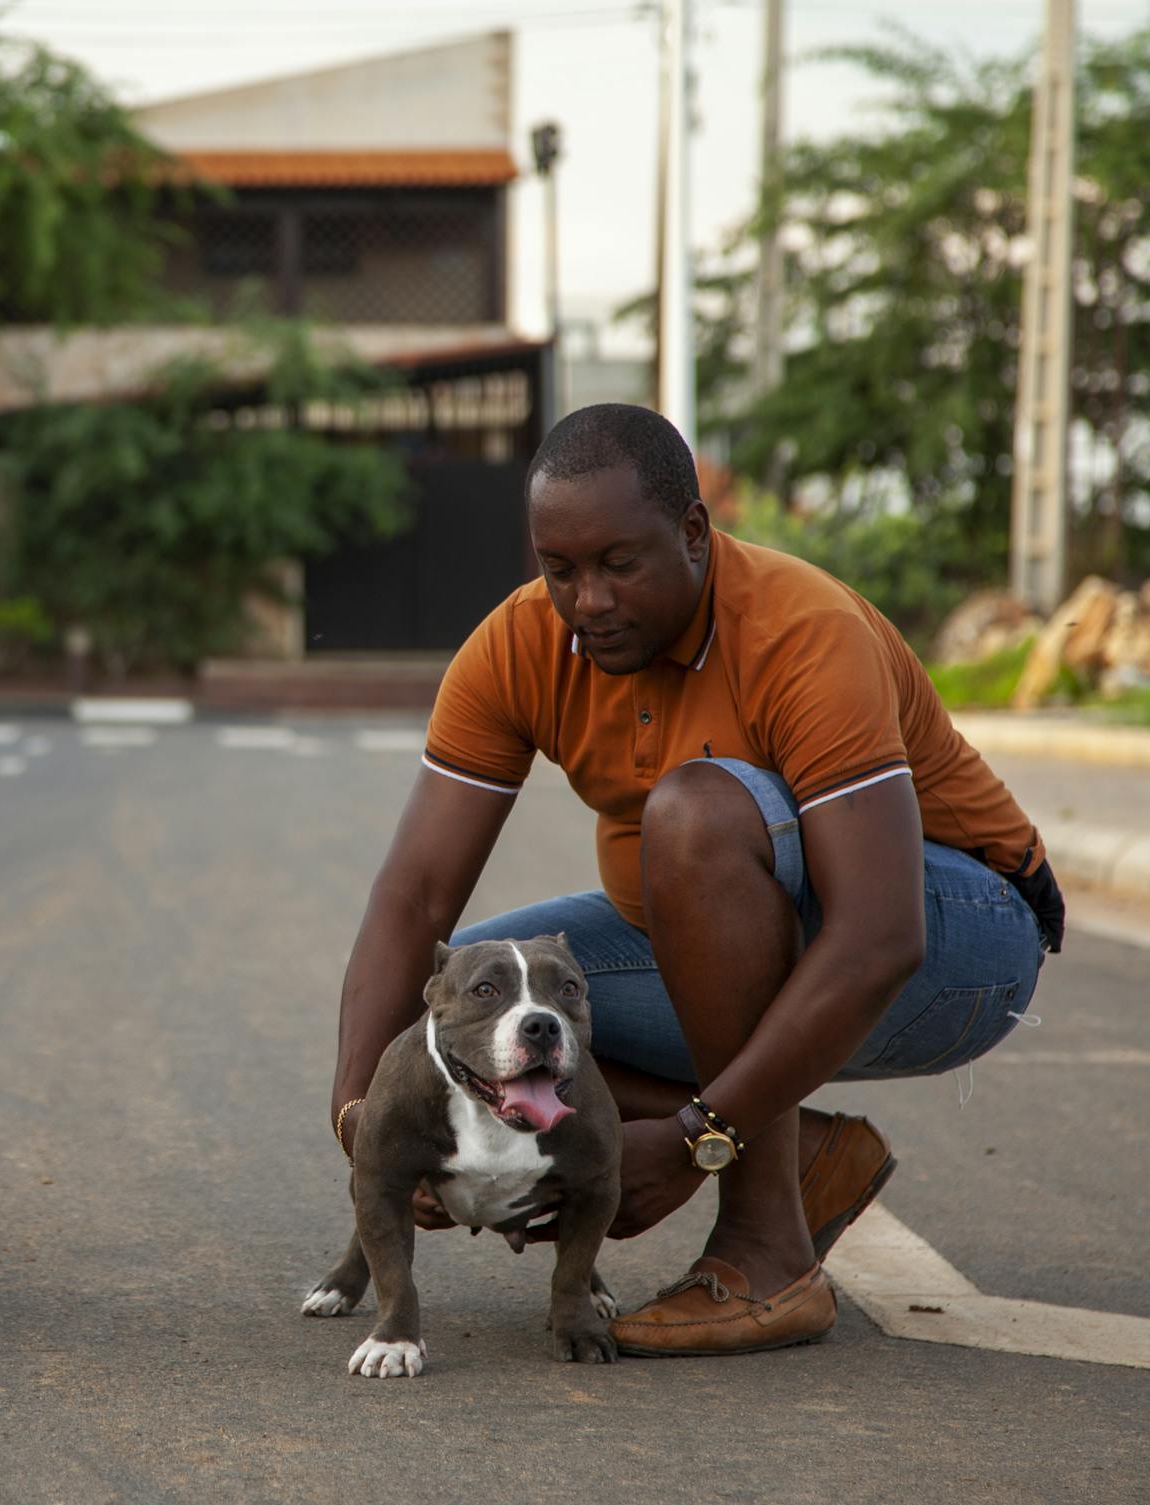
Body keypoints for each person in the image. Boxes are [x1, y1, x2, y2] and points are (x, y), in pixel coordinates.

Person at [329, 403, 1063, 1357]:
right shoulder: (517, 646)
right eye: (560, 570)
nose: (587, 600)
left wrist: (694, 1138)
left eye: (619, 564)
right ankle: (802, 1152)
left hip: (964, 936)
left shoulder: (803, 631)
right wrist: (361, 1119)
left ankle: (766, 1250)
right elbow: (416, 897)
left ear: (692, 533)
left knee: (695, 817)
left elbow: (881, 933)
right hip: (735, 938)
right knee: (471, 1008)